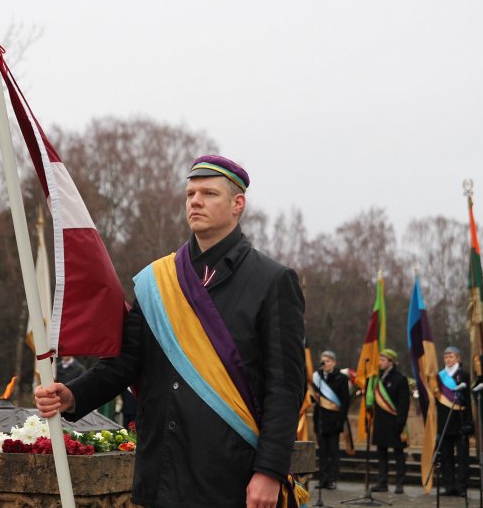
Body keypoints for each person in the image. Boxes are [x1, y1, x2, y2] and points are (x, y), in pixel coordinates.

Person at [35, 155, 307, 508]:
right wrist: (72, 394)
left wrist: (269, 472)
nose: (195, 201)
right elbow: (125, 362)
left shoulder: (273, 281)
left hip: (233, 475)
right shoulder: (156, 281)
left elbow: (285, 387)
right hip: (163, 469)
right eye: (190, 193)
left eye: (209, 193)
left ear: (237, 204)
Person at [370, 348, 410, 495]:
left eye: (383, 360)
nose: (379, 362)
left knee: (398, 454)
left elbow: (403, 404)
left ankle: (399, 483)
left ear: (391, 362)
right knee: (381, 454)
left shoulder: (400, 379)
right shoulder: (378, 379)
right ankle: (382, 482)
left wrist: (400, 423)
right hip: (381, 424)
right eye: (379, 359)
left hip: (395, 423)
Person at [435, 346, 473, 496]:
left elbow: (468, 400)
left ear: (458, 358)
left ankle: (462, 487)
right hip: (444, 419)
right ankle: (449, 486)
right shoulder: (439, 376)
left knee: (462, 456)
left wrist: (470, 422)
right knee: (445, 455)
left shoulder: (463, 374)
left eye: (451, 357)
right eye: (446, 357)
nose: (448, 359)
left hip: (460, 419)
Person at [310, 350, 350, 490]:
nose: (324, 364)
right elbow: (312, 399)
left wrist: (340, 421)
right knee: (322, 452)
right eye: (323, 361)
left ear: (334, 362)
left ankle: (332, 480)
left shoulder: (341, 378)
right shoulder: (316, 378)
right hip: (320, 420)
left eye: (327, 361)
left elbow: (345, 402)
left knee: (333, 453)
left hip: (334, 421)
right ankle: (322, 479)